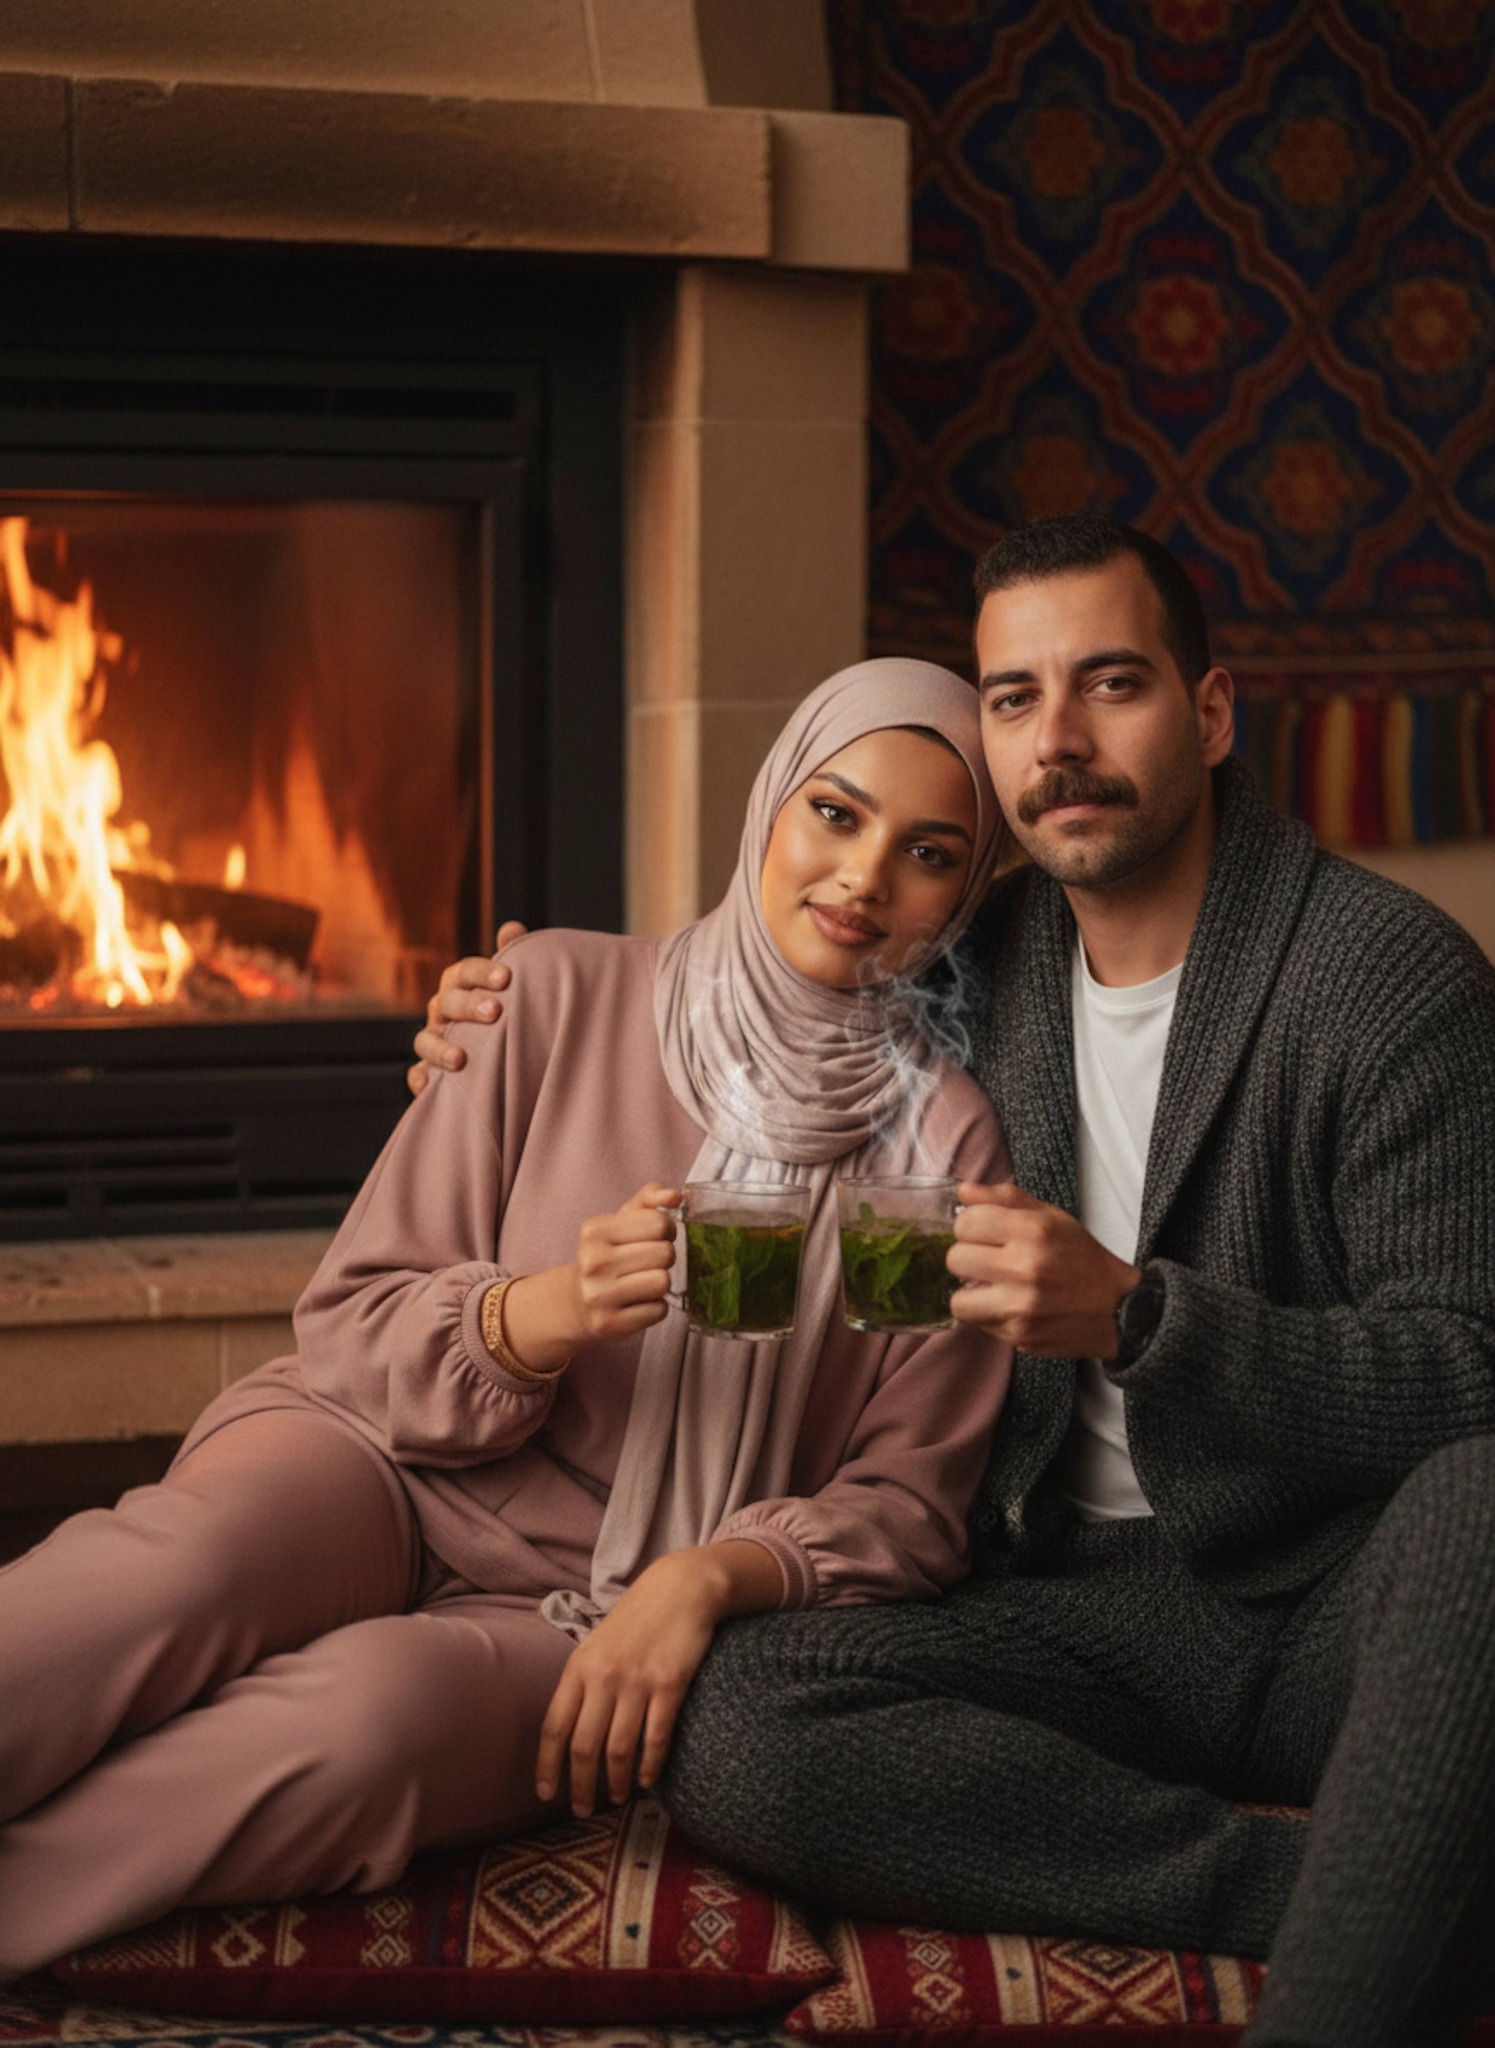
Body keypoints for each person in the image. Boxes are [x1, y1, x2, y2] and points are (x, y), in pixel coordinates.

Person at [418, 515, 1495, 2048]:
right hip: (1066, 1603)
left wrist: (1143, 1320)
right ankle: (1312, 1881)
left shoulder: (1387, 979)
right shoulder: (967, 954)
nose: (1056, 742)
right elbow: (759, 964)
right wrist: (511, 1001)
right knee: (740, 1725)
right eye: (1011, 698)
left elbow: (1471, 1368)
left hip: (1331, 1605)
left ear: (1209, 712)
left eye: (1110, 685)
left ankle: (1346, 1979)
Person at [0, 660, 1014, 1980]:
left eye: (928, 852)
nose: (866, 877)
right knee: (174, 1576)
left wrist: (703, 1580)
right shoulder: (553, 997)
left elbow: (905, 1495)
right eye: (835, 813)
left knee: (368, 1729)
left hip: (588, 1600)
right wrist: (541, 1314)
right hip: (373, 1457)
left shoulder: (936, 1151)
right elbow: (353, 1318)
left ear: (966, 891)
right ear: (770, 806)